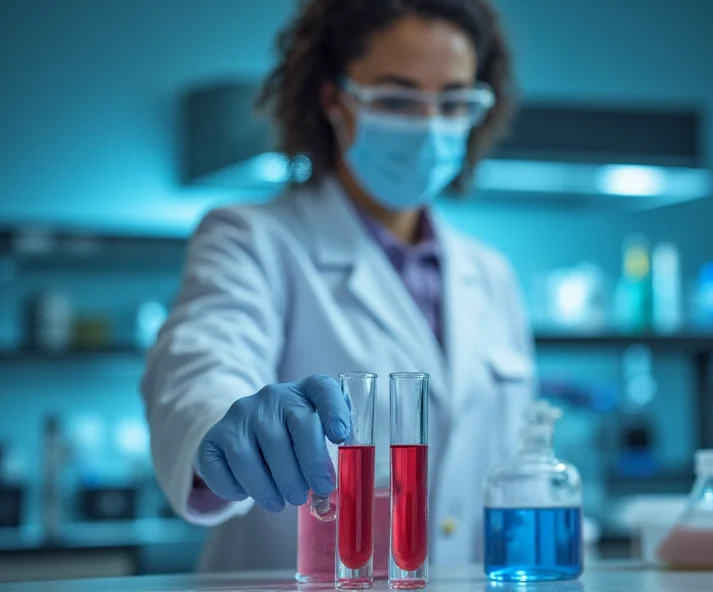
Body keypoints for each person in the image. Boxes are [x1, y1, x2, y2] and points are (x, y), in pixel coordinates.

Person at [140, 0, 535, 572]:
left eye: (452, 101)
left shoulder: (492, 275)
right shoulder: (252, 239)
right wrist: (224, 428)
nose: (429, 125)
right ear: (334, 101)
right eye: (397, 99)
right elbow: (201, 359)